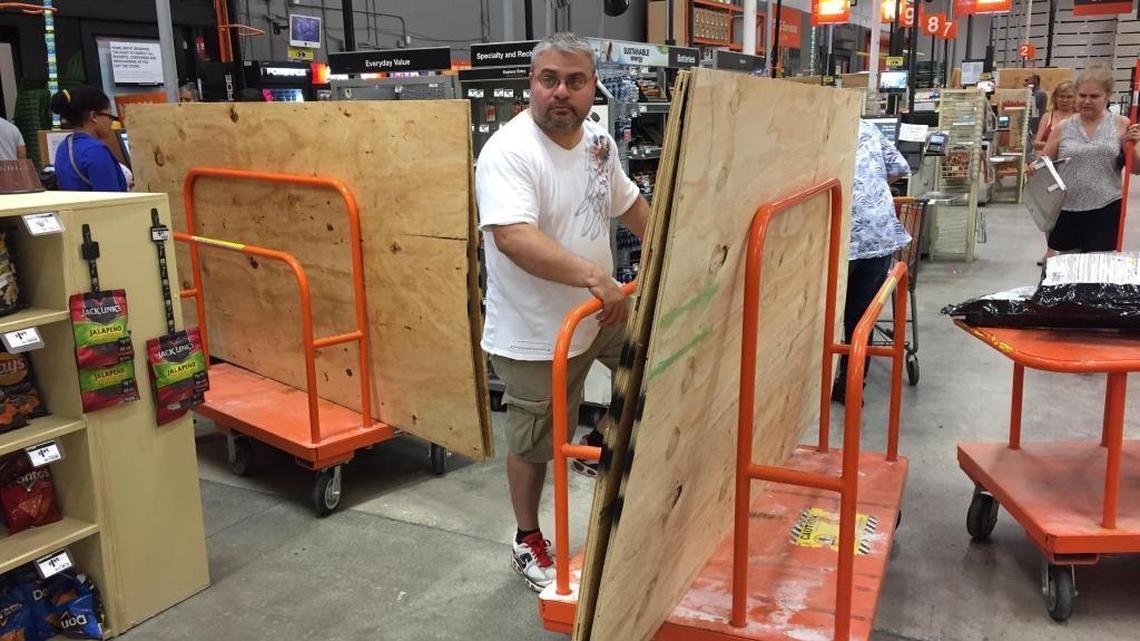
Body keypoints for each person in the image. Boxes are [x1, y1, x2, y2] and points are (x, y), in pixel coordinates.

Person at [475, 32, 649, 592]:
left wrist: (677, 242)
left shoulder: (599, 142)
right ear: (531, 83)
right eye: (548, 79)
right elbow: (514, 238)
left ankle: (596, 443)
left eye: (574, 81)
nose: (560, 93)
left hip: (599, 315)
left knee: (657, 365)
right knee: (533, 444)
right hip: (536, 332)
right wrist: (598, 278)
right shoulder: (508, 151)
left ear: (592, 87)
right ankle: (527, 538)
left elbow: (627, 204)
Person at [831, 119, 911, 404]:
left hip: (843, 237)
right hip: (880, 233)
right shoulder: (865, 126)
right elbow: (900, 168)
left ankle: (814, 388)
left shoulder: (818, 127)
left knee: (825, 317)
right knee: (861, 318)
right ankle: (850, 388)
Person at [1040, 64, 1140, 254]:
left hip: (1106, 208)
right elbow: (1043, 164)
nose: (1087, 101)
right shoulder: (1063, 127)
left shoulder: (1121, 124)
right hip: (1067, 209)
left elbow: (1135, 168)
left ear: (1108, 96)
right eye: (1082, 95)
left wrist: (1132, 147)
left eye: (1094, 96)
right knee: (1067, 270)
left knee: (1097, 272)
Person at [49, 86, 127, 192]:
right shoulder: (95, 151)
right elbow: (111, 200)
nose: (111, 122)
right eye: (109, 116)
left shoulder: (63, 146)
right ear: (94, 116)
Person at [1032, 80, 1076, 265]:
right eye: (1062, 96)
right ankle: (1050, 249)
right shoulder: (1048, 117)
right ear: (1055, 98)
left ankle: (1070, 249)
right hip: (1049, 169)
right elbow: (1036, 142)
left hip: (1071, 170)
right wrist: (1053, 143)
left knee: (1069, 211)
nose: (1065, 100)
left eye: (1069, 97)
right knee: (1049, 212)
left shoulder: (1079, 117)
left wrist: (1052, 142)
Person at [1025, 74, 1048, 143]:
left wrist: (1031, 129)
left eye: (1027, 80)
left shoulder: (1039, 94)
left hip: (1036, 127)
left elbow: (1034, 112)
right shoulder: (1034, 93)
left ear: (1035, 81)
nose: (1026, 83)